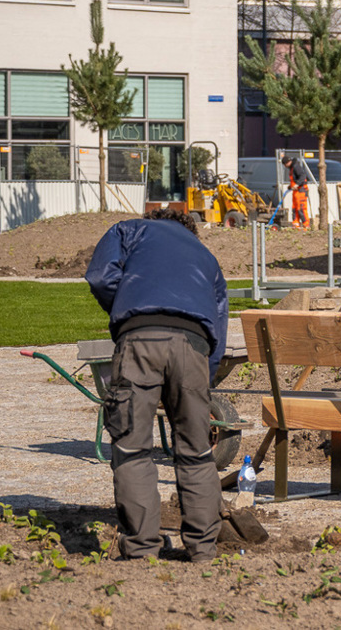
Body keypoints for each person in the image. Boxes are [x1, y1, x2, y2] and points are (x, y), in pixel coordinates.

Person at [86, 207, 229, 561]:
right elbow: (219, 327)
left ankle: (141, 550)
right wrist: (202, 381)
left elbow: (101, 276)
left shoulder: (131, 230)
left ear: (156, 221)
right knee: (196, 452)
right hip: (193, 346)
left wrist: (127, 305)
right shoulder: (207, 258)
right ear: (191, 231)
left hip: (139, 340)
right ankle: (202, 551)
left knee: (132, 449)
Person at [283, 156, 310, 229]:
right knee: (295, 208)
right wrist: (290, 186)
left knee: (301, 208)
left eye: (285, 164)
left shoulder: (296, 167)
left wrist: (297, 184)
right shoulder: (291, 168)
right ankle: (295, 224)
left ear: (287, 163)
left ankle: (306, 225)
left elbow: (303, 176)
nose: (285, 166)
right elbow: (295, 179)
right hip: (296, 191)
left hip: (301, 190)